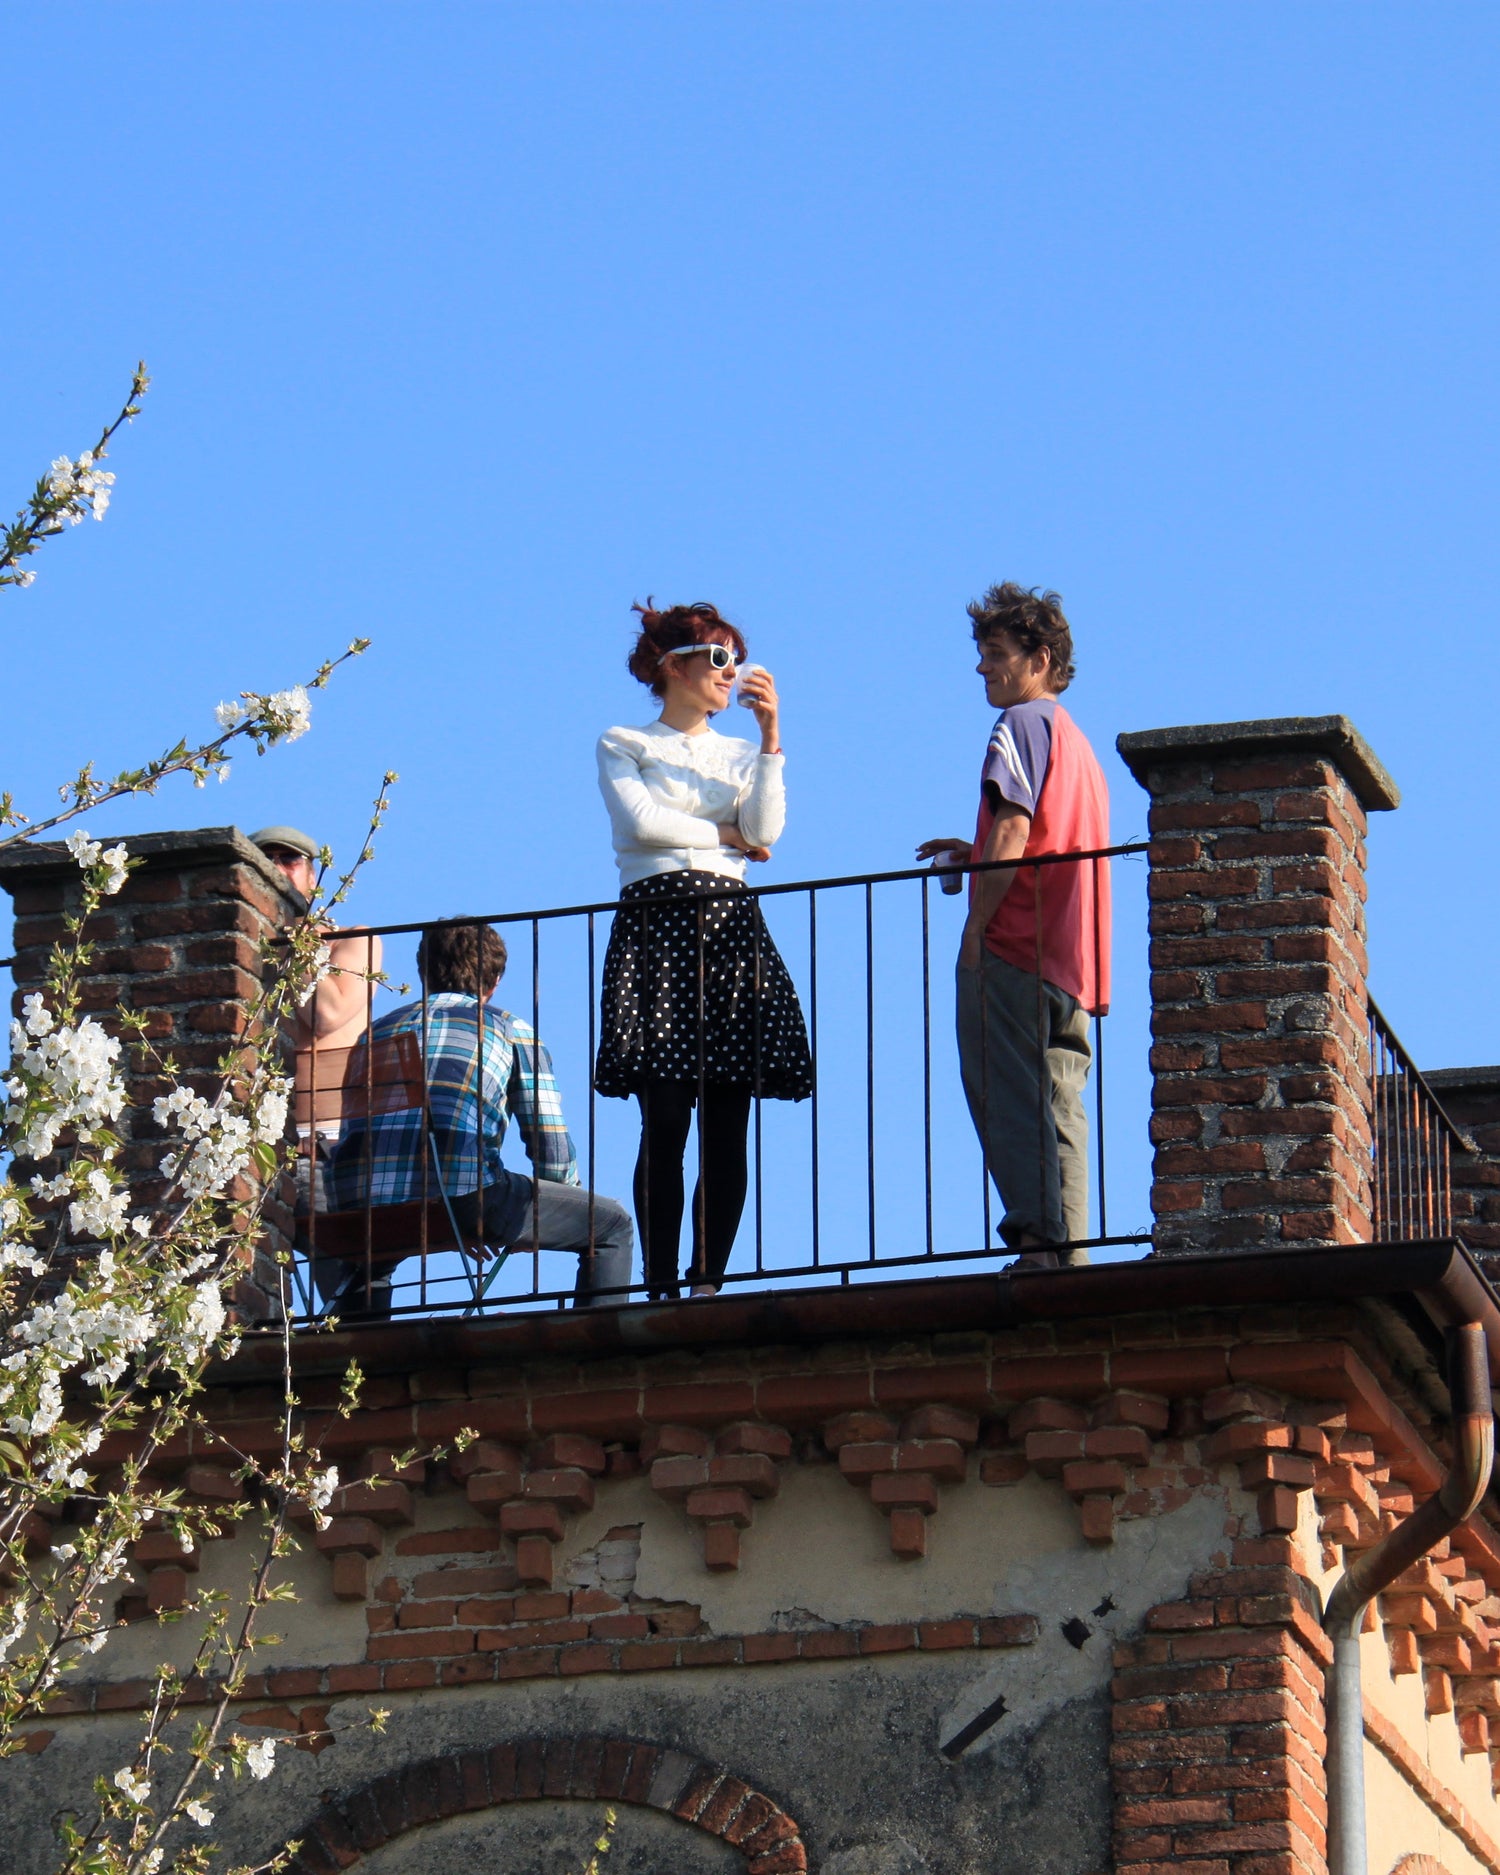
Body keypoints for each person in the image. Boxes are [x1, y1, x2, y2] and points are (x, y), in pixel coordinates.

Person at [595, 600, 812, 1301]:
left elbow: (766, 829)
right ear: (672, 666)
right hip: (656, 928)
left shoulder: (742, 754)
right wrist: (722, 836)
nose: (729, 672)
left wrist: (771, 737)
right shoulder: (624, 742)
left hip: (728, 933)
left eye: (734, 660)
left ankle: (707, 1281)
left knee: (726, 1121)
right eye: (717, 658)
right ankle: (660, 1281)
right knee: (663, 1119)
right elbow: (640, 824)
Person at [916, 584, 1111, 1270]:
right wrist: (975, 853)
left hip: (1016, 943)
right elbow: (1049, 837)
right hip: (1073, 959)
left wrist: (976, 926)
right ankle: (1070, 1257)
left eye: (996, 652)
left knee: (1006, 1093)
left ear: (1040, 658)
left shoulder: (1019, 724)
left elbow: (1014, 828)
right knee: (1060, 1104)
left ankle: (1037, 1244)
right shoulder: (1076, 742)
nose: (982, 667)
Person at [326, 921, 634, 1318]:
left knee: (371, 1262)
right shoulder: (507, 1028)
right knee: (611, 1226)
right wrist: (545, 1209)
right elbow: (549, 1144)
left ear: (423, 971)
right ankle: (600, 1345)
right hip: (463, 1197)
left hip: (361, 1208)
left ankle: (360, 1344)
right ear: (495, 980)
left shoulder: (374, 1034)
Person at [251, 825, 384, 1227]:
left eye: (289, 859)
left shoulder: (352, 940)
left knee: (339, 1251)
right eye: (266, 859)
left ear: (312, 876)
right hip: (261, 1139)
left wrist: (297, 944)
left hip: (330, 1143)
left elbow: (327, 1014)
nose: (277, 867)